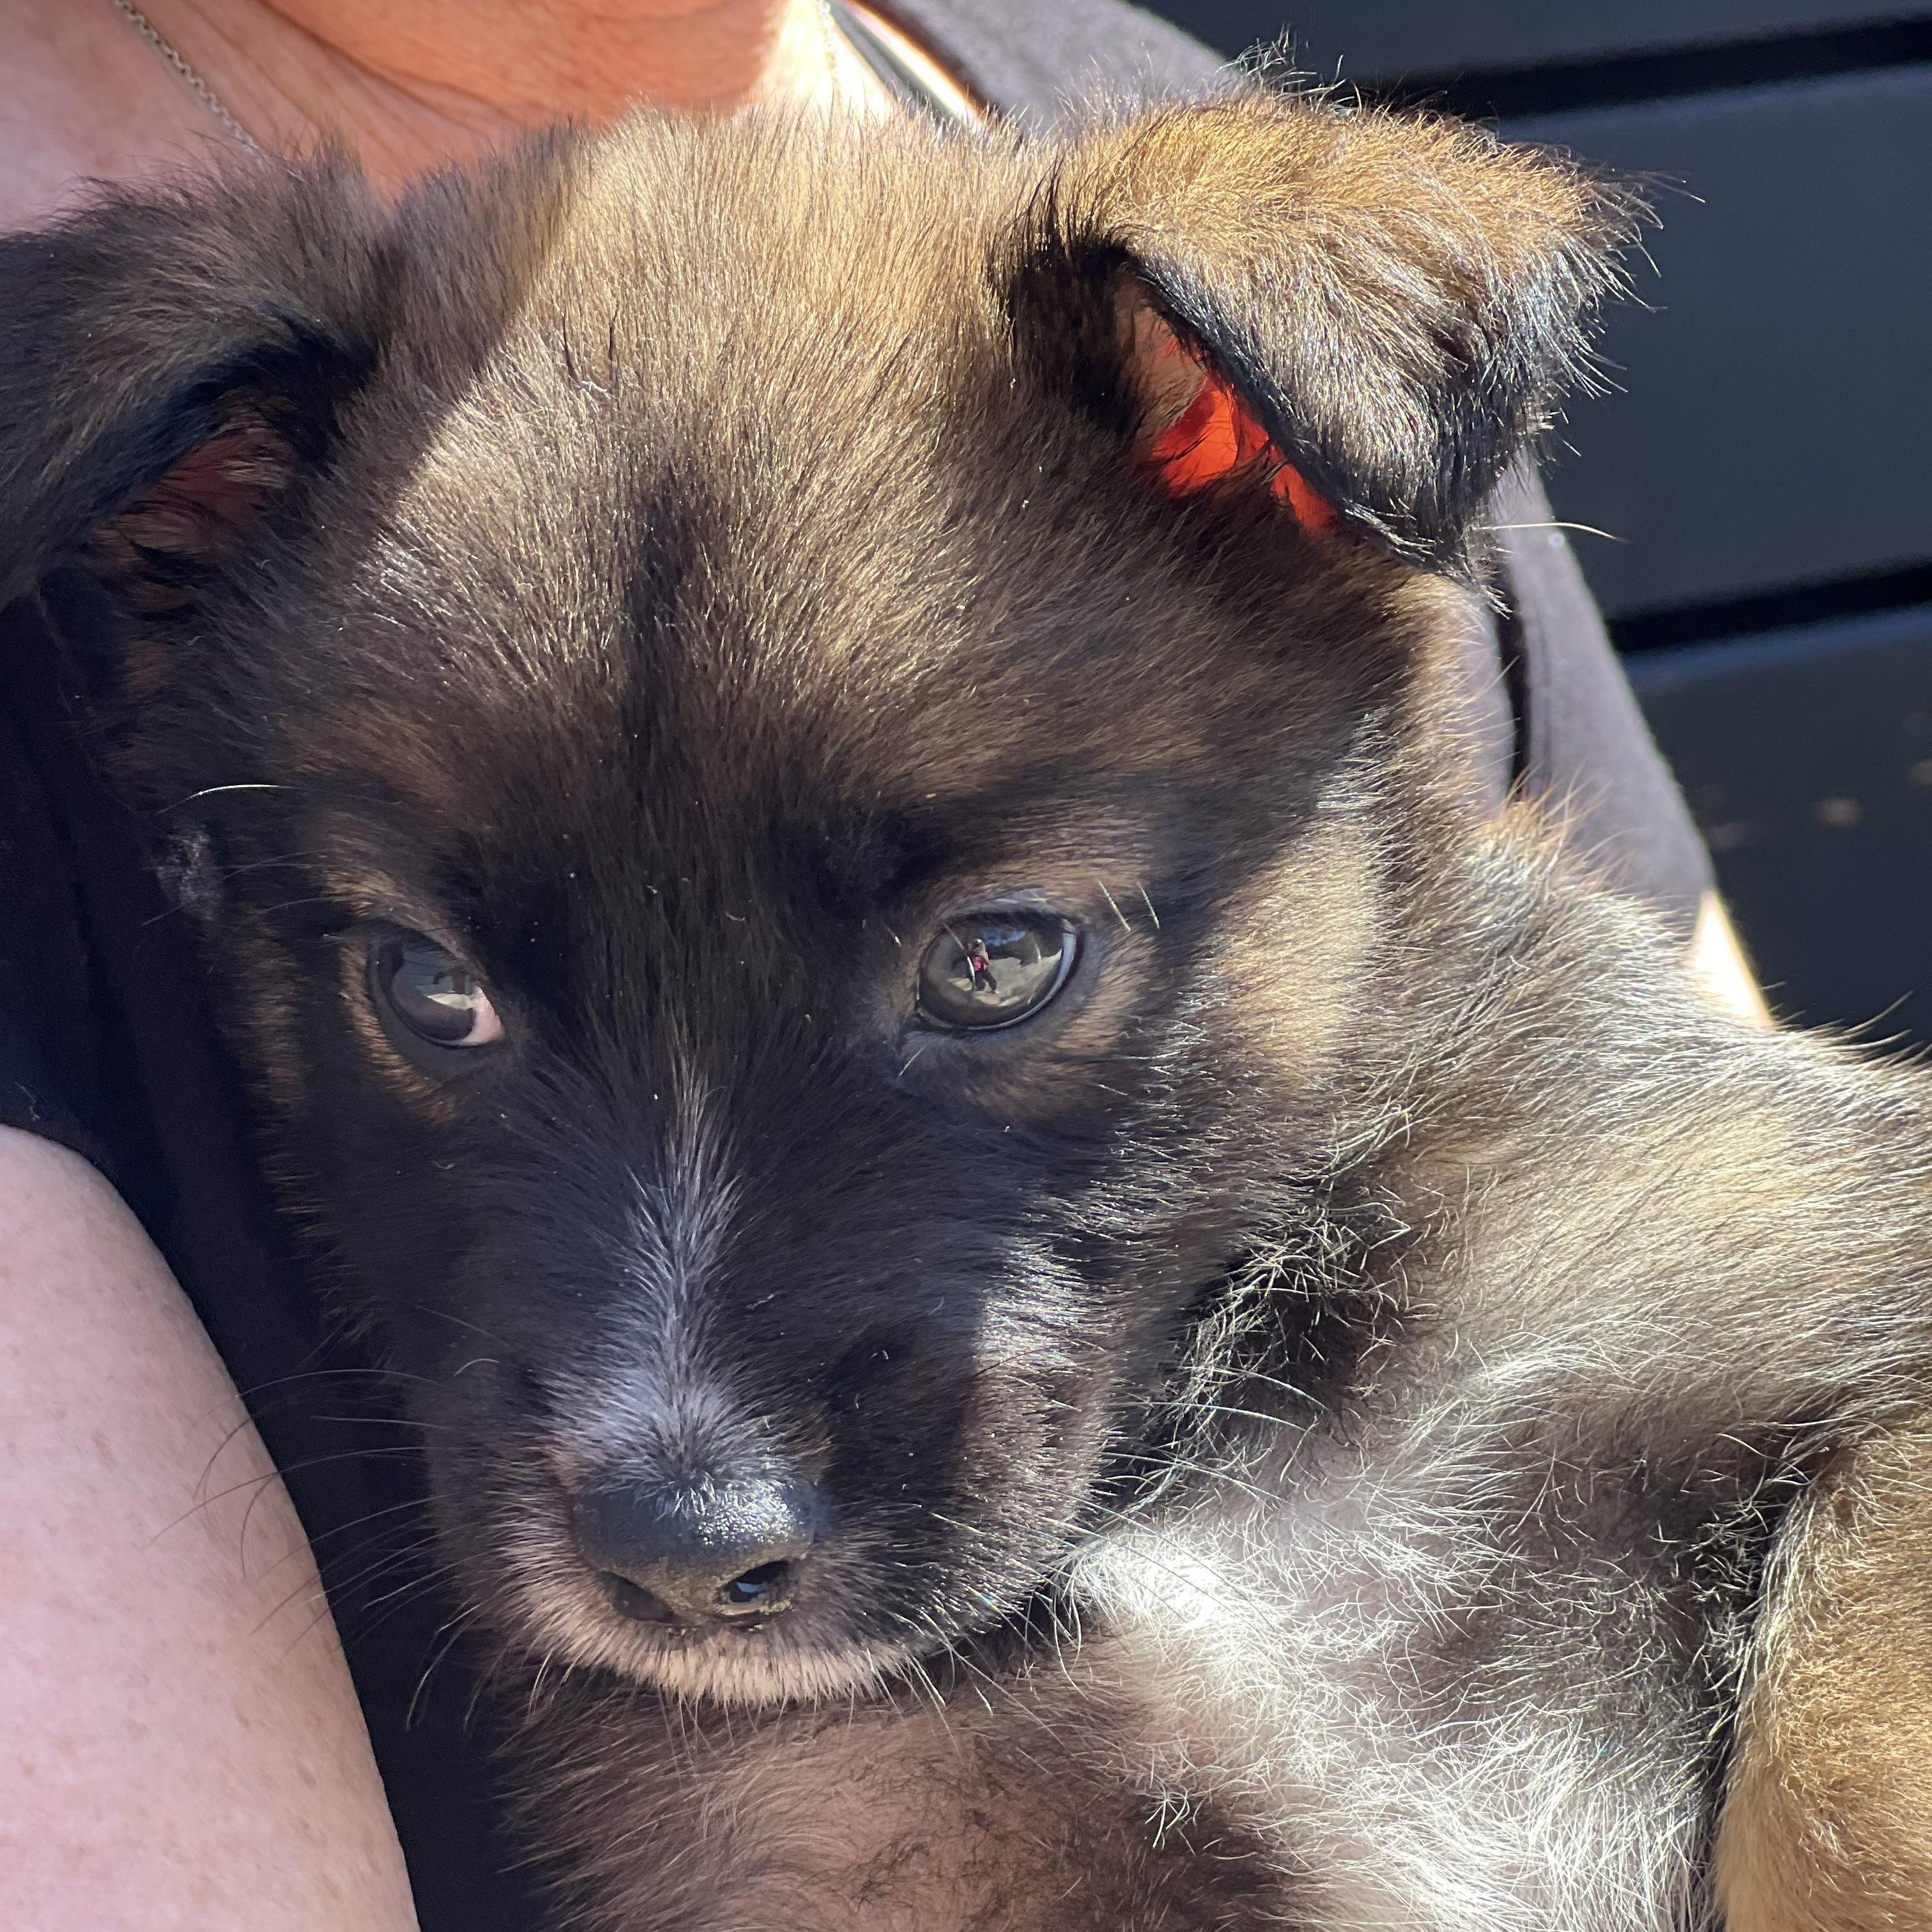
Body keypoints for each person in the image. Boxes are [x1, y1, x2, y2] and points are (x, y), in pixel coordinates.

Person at [0, 3, 1759, 1926]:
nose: (682, 1463)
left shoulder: (1177, 248)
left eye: (1001, 960)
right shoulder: (179, 396)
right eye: (439, 995)